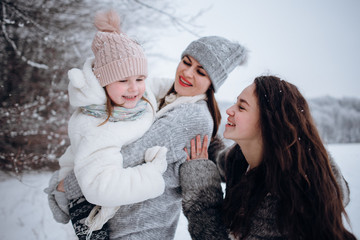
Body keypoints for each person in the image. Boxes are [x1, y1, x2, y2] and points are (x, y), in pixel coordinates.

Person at [45, 33, 248, 239]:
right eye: (186, 62)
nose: (187, 73)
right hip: (121, 225)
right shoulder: (169, 97)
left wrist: (65, 185)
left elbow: (130, 156)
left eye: (201, 72)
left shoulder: (191, 115)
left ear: (213, 83)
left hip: (138, 229)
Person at [180, 75, 356, 239]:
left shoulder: (281, 201)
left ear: (268, 123)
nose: (230, 110)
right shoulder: (242, 158)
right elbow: (223, 160)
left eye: (241, 107)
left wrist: (201, 194)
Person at [44, 10, 169, 240]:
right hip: (85, 197)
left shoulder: (138, 94)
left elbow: (158, 85)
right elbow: (101, 188)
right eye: (123, 80)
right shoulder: (96, 125)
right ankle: (59, 195)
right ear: (103, 81)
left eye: (140, 78)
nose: (135, 88)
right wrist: (152, 173)